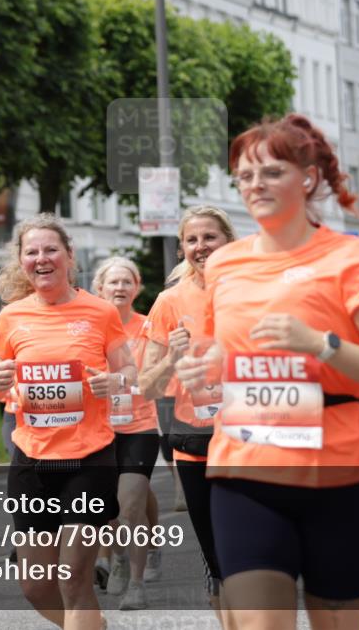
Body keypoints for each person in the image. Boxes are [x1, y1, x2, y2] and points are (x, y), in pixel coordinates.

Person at [175, 113, 359, 630]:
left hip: (343, 468)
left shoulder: (351, 258)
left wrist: (320, 345)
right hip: (247, 465)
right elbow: (227, 348)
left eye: (270, 172)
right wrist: (208, 365)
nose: (255, 185)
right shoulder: (224, 265)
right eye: (244, 175)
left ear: (307, 177)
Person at [0, 213, 136, 630]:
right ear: (22, 261)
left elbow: (130, 373)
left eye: (51, 249)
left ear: (69, 257)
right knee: (35, 586)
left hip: (89, 458)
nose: (41, 258)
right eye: (32, 252)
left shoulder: (100, 311)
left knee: (74, 579)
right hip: (31, 459)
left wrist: (114, 381)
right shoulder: (11, 317)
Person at [139, 205, 237, 620]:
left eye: (209, 237)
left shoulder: (251, 290)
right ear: (181, 248)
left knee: (252, 551)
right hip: (195, 444)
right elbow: (148, 385)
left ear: (228, 241)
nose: (201, 246)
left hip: (250, 443)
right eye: (192, 239)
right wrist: (171, 358)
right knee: (218, 559)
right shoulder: (169, 301)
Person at [91, 257, 159, 610]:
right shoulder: (88, 327)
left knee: (130, 504)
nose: (119, 288)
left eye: (126, 282)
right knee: (108, 510)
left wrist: (124, 381)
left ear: (137, 288)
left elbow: (152, 377)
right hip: (99, 430)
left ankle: (136, 584)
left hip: (139, 427)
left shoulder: (148, 328)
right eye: (112, 282)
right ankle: (117, 552)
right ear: (99, 288)